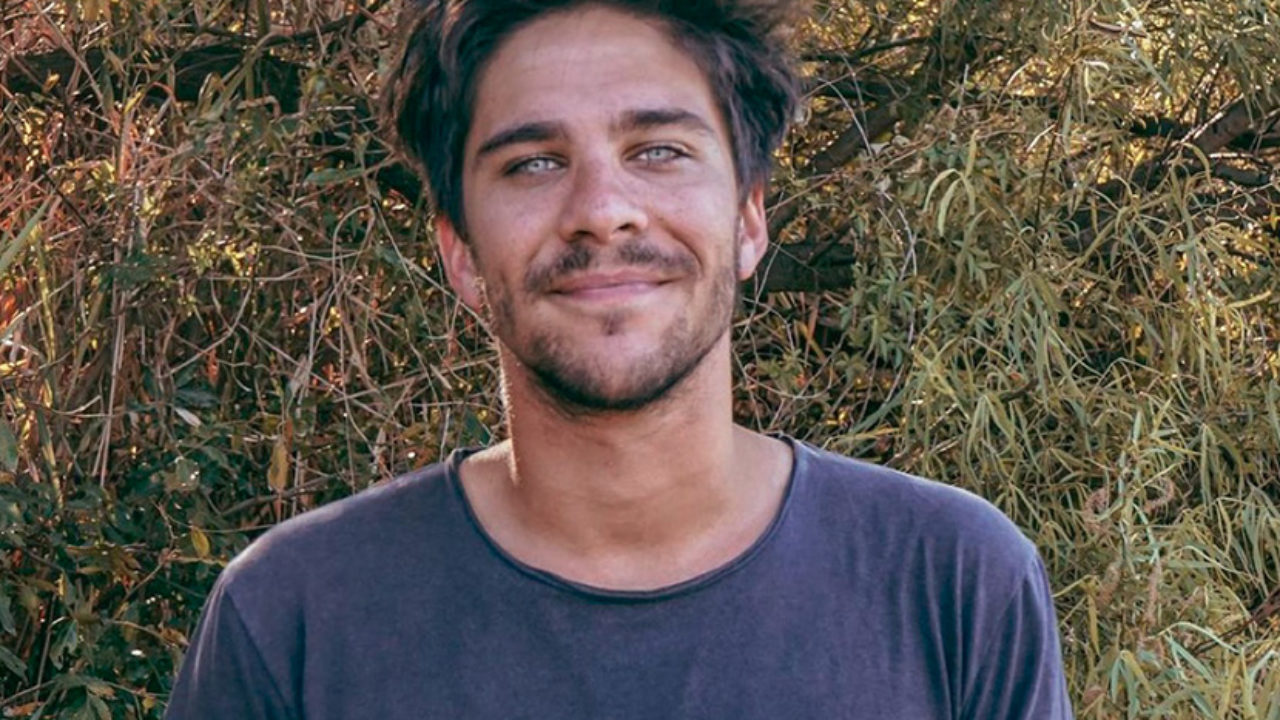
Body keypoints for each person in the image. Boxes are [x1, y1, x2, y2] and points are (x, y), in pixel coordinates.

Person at [165, 1, 1074, 717]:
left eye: (660, 151)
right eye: (532, 163)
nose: (603, 210)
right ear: (459, 250)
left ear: (749, 217)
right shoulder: (293, 620)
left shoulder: (953, 584)